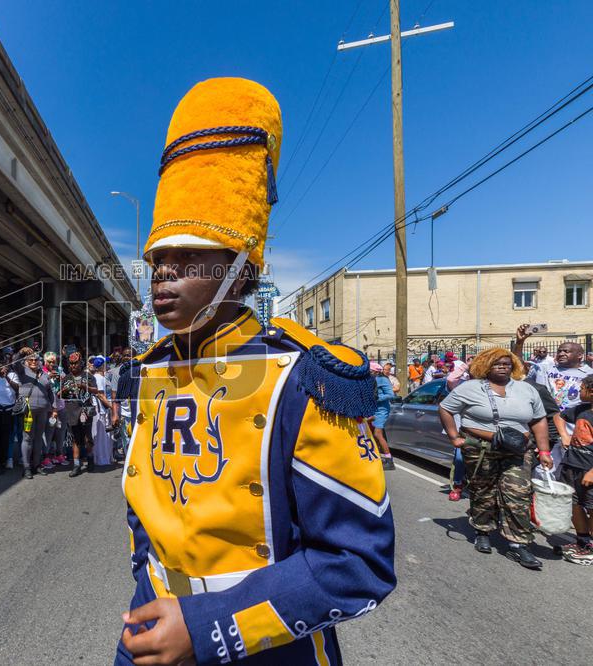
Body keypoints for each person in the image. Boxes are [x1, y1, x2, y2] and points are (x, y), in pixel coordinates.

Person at [116, 78, 394, 665]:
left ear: (240, 273)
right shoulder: (147, 371)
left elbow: (357, 563)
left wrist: (206, 626)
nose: (163, 277)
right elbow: (148, 502)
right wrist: (150, 582)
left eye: (188, 258)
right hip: (151, 632)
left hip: (266, 647)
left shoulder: (307, 375)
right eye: (158, 261)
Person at [438, 348, 552, 570]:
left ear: (514, 366)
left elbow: (539, 420)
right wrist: (454, 437)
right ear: (486, 365)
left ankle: (519, 544)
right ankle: (482, 529)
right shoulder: (470, 388)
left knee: (518, 494)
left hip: (518, 451)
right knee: (483, 491)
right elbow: (445, 408)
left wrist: (544, 450)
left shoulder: (526, 389)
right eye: (496, 363)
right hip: (480, 449)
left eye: (507, 363)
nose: (502, 366)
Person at [514, 324, 591, 471]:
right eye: (559, 351)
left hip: (571, 427)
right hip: (546, 423)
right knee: (543, 467)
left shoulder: (588, 374)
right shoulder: (545, 368)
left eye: (566, 351)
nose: (561, 353)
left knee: (570, 467)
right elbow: (517, 367)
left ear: (580, 355)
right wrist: (520, 342)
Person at [557, 376, 593, 564]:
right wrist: (564, 435)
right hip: (572, 466)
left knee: (591, 507)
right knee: (574, 503)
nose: (579, 391)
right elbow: (559, 416)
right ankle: (582, 541)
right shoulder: (581, 409)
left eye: (582, 388)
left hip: (590, 471)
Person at [15, 348, 54, 479]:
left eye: (36, 359)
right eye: (30, 359)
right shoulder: (22, 371)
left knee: (38, 438)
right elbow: (14, 363)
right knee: (27, 438)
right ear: (26, 361)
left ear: (39, 361)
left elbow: (50, 392)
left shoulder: (44, 374)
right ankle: (26, 468)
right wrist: (21, 353)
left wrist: (53, 408)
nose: (33, 361)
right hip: (28, 411)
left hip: (43, 410)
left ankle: (36, 465)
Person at [60, 351, 96, 478]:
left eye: (76, 363)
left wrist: (84, 386)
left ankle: (90, 459)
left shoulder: (89, 376)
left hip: (86, 410)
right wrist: (63, 391)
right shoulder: (67, 378)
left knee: (87, 438)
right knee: (75, 439)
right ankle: (76, 465)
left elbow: (96, 390)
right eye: (71, 364)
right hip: (72, 411)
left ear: (81, 363)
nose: (73, 366)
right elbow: (60, 395)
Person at [369, 362, 396, 470]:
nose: (368, 372)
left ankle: (389, 461)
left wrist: (376, 398)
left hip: (382, 410)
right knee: (370, 433)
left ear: (375, 371)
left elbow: (390, 394)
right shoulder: (373, 379)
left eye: (370, 371)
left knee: (377, 434)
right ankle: (375, 456)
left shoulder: (383, 379)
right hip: (374, 409)